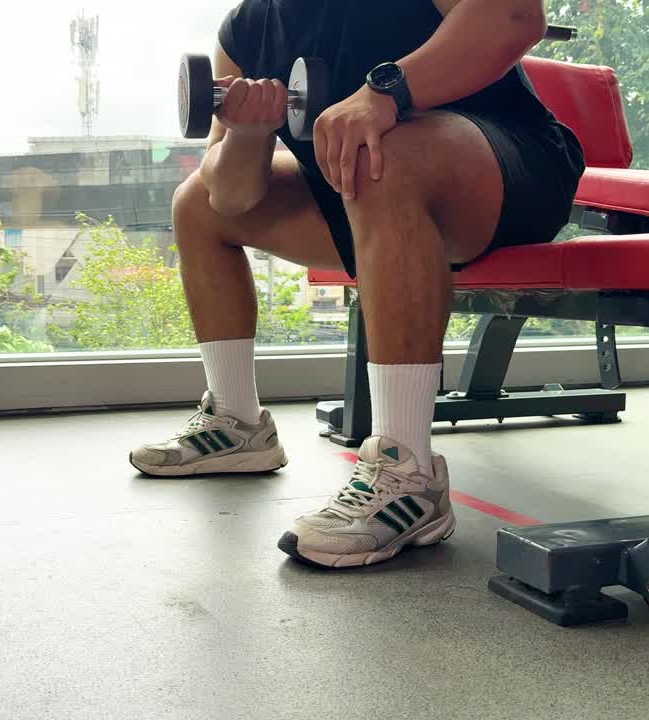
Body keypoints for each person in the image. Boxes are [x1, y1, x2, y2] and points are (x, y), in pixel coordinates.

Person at [130, 0, 585, 568]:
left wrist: (384, 93)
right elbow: (230, 196)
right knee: (196, 202)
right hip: (365, 191)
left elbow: (515, 17)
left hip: (509, 168)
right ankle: (236, 423)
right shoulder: (246, 29)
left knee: (377, 157)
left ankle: (408, 473)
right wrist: (249, 132)